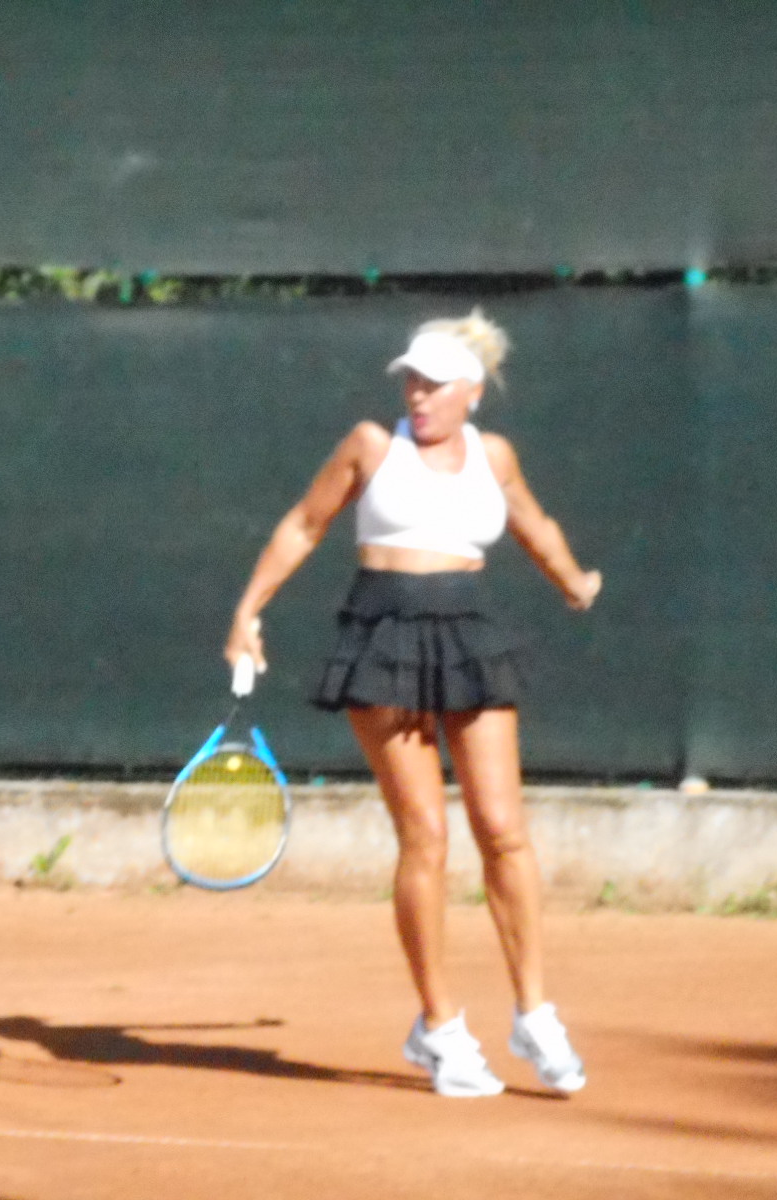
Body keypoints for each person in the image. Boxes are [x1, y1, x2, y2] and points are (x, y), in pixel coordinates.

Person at [223, 309, 601, 1098]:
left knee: (503, 830)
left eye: (434, 384)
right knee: (425, 835)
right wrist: (247, 612)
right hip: (383, 634)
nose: (418, 396)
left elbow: (534, 524)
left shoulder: (495, 456)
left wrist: (574, 579)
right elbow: (304, 524)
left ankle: (534, 1014)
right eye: (411, 382)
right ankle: (439, 1028)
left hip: (470, 631)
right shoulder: (371, 445)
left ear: (471, 391)